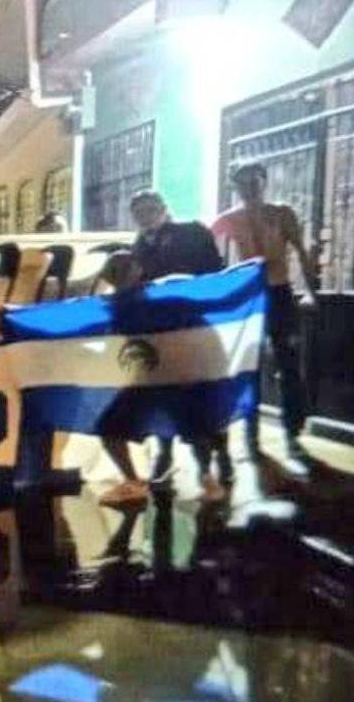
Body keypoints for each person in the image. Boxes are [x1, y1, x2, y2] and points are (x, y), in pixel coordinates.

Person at [211, 162, 316, 461]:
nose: (249, 187)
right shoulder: (229, 219)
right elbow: (208, 251)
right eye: (243, 183)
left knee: (289, 365)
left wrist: (311, 290)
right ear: (235, 187)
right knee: (249, 367)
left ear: (264, 181)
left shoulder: (282, 213)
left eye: (254, 181)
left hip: (280, 293)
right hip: (250, 298)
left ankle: (293, 431)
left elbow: (300, 250)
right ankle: (251, 434)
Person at [128, 190, 229, 500]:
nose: (146, 215)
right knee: (163, 394)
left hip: (194, 328)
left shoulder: (193, 233)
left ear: (164, 208)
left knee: (200, 395)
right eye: (139, 211)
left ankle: (213, 460)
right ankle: (165, 454)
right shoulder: (138, 246)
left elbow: (215, 273)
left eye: (151, 208)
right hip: (160, 333)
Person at [96, 251, 152, 507]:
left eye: (124, 268)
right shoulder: (110, 304)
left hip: (155, 375)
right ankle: (133, 481)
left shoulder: (155, 298)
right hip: (140, 376)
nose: (119, 274)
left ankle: (211, 477)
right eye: (115, 269)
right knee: (110, 428)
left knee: (110, 428)